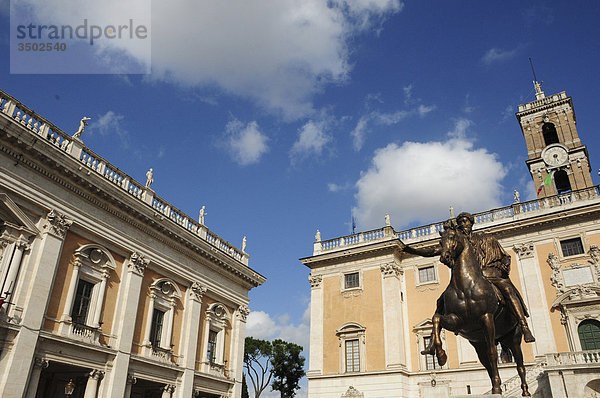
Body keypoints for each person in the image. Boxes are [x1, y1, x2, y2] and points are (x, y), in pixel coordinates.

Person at [399, 212, 535, 360]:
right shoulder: (456, 242)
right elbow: (433, 251)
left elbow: (505, 257)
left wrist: (501, 268)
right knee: (441, 301)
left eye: (466, 221)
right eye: (461, 222)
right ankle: (433, 340)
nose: (464, 224)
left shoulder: (485, 238)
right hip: (469, 278)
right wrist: (409, 249)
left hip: (491, 275)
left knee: (508, 290)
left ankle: (523, 325)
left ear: (471, 223)